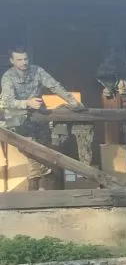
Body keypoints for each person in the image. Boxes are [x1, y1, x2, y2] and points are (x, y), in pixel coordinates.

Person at [1, 46, 85, 185]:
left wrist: (72, 101)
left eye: (26, 59)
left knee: (45, 153)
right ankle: (40, 184)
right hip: (19, 122)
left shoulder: (37, 71)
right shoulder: (8, 77)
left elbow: (54, 86)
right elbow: (7, 102)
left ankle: (45, 187)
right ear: (12, 61)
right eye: (19, 59)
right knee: (32, 155)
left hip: (39, 119)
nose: (24, 62)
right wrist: (26, 103)